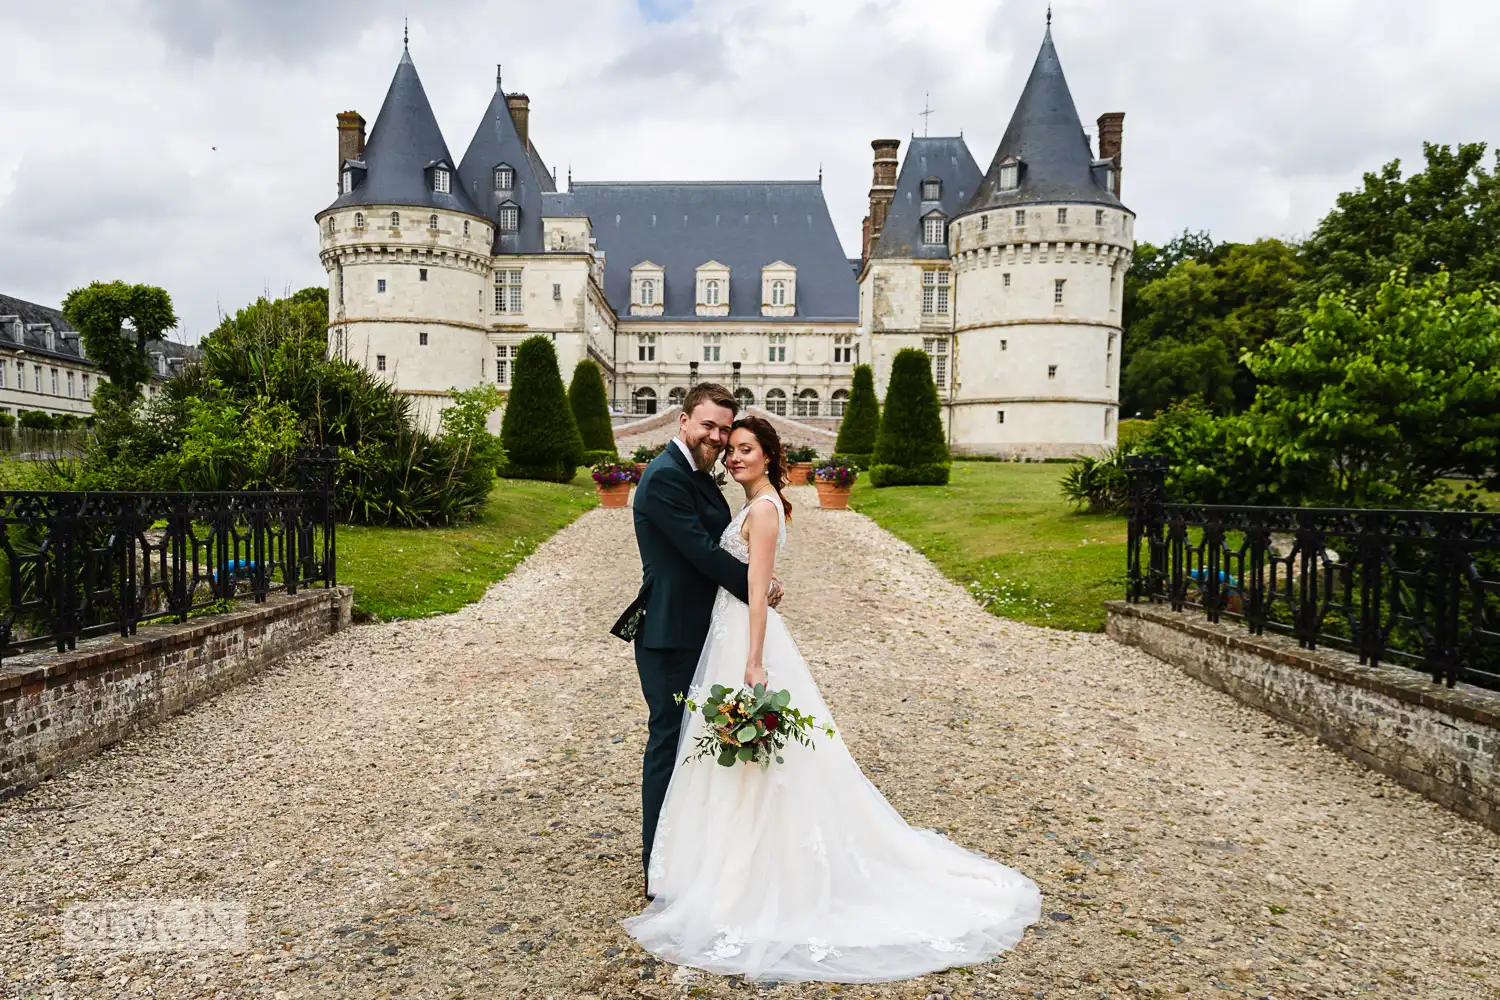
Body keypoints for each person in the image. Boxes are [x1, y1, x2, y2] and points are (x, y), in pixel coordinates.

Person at [623, 415, 1041, 984]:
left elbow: (728, 561)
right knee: (718, 752)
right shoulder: (720, 491)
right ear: (687, 422)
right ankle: (710, 863)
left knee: (742, 754)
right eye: (727, 441)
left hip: (740, 638)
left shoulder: (762, 507)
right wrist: (756, 585)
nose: (730, 451)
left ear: (769, 457)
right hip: (719, 630)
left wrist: (753, 647)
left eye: (744, 445)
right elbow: (717, 559)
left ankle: (738, 871)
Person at [619, 383, 783, 894]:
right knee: (670, 742)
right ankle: (658, 869)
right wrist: (760, 587)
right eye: (707, 426)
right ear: (683, 420)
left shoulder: (699, 473)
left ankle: (698, 852)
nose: (715, 437)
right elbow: (701, 552)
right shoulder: (666, 477)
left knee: (703, 742)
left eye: (723, 429)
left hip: (705, 628)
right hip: (670, 634)